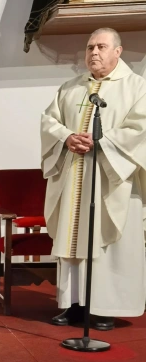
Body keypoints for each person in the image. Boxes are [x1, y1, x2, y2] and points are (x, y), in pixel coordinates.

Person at [41, 28, 146, 331]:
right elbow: (49, 121)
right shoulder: (71, 87)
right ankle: (73, 304)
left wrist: (102, 141)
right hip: (74, 177)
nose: (94, 53)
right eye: (90, 47)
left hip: (112, 180)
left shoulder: (137, 87)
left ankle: (106, 307)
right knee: (73, 236)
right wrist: (66, 137)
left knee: (108, 242)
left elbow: (140, 129)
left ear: (118, 51)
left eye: (101, 46)